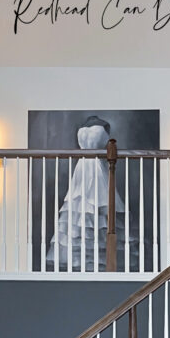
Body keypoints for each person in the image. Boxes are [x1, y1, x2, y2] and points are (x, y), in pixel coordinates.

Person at [46, 115, 130, 271]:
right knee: (80, 207)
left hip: (95, 167)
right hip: (83, 167)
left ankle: (100, 259)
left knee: (98, 205)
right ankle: (80, 259)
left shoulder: (102, 126)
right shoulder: (90, 126)